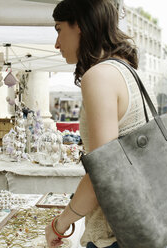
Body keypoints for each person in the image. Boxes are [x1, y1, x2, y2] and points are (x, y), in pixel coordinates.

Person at [45, 1, 156, 247]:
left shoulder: (100, 76)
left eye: (59, 29)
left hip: (115, 235)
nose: (56, 43)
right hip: (143, 224)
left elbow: (102, 175)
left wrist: (59, 225)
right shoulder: (127, 70)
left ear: (81, 26)